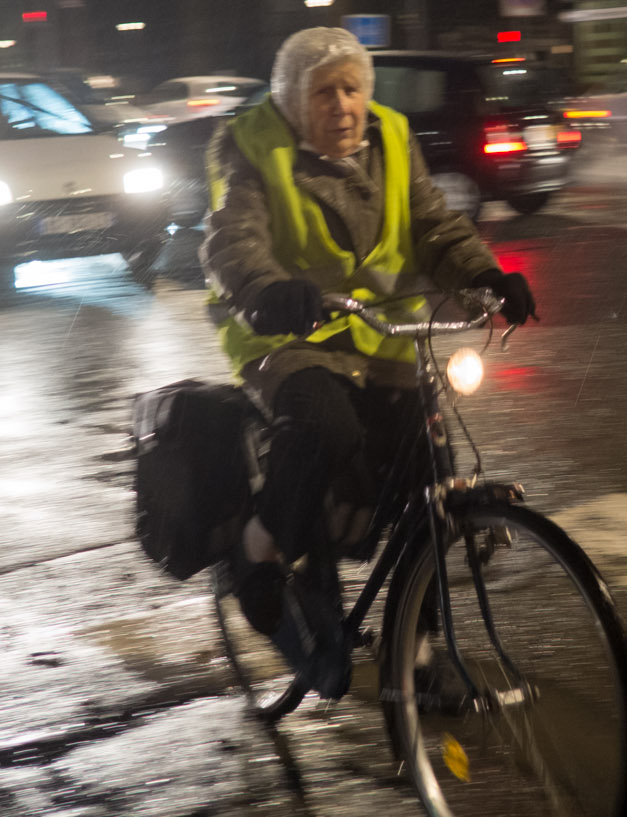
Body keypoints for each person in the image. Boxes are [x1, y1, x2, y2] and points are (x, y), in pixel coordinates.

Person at [200, 27, 535, 699]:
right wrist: (267, 291)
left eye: (353, 88)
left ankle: (413, 649)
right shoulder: (252, 143)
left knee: (431, 482)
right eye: (324, 92)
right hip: (286, 335)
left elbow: (433, 226)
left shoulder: (391, 136)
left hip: (382, 336)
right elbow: (232, 239)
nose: (343, 105)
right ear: (293, 100)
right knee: (326, 429)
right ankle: (258, 549)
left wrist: (488, 276)